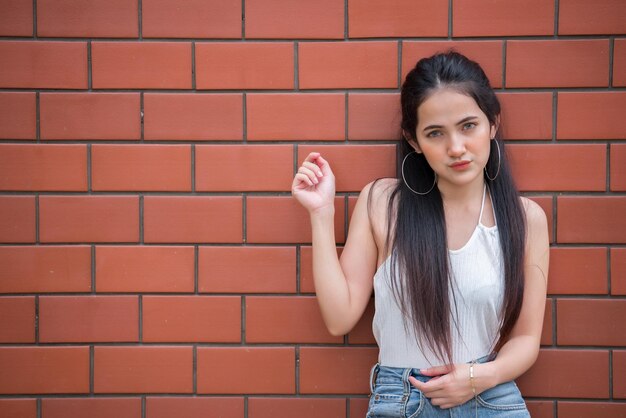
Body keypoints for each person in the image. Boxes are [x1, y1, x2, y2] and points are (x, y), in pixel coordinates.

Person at [291, 51, 549, 417]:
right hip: (401, 401)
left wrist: (478, 376)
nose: (456, 147)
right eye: (435, 133)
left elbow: (526, 338)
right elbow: (339, 317)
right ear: (413, 140)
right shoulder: (382, 203)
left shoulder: (525, 219)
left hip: (490, 398)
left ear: (493, 124)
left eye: (468, 126)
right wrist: (321, 213)